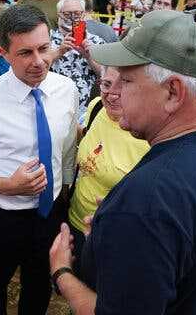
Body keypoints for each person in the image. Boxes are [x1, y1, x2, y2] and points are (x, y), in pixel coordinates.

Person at [49, 10, 196, 315]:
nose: (114, 92)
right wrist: (126, 236)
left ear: (173, 91)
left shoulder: (149, 201)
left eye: (128, 80)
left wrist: (62, 273)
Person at [0, 4, 78, 314]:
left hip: (49, 212)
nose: (38, 61)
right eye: (25, 53)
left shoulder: (66, 91)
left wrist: (63, 190)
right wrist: (8, 185)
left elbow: (65, 150)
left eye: (43, 48)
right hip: (1, 217)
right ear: (2, 51)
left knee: (38, 286)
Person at [67, 66, 149, 274]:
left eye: (122, 85)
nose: (111, 94)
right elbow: (86, 138)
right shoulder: (96, 108)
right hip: (75, 222)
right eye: (106, 84)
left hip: (113, 237)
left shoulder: (147, 132)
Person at [49, 0, 104, 123]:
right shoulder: (47, 40)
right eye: (67, 14)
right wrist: (59, 51)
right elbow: (37, 64)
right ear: (59, 14)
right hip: (54, 108)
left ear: (84, 14)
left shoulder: (97, 42)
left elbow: (106, 74)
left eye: (77, 14)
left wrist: (89, 57)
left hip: (86, 110)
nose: (72, 18)